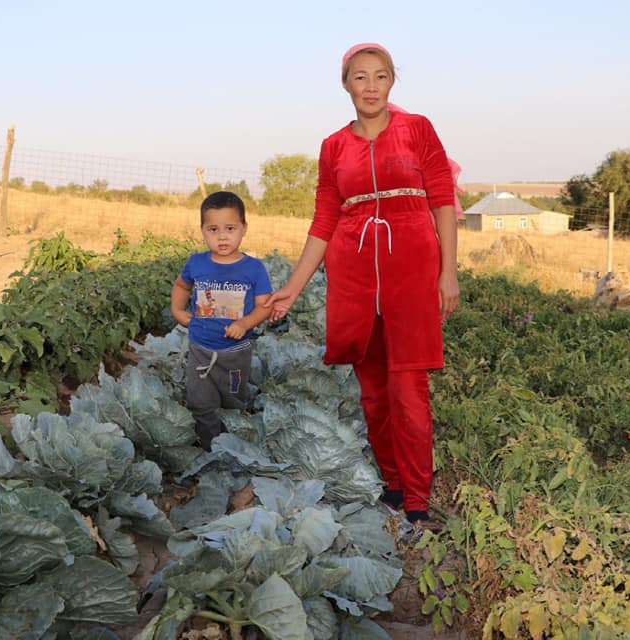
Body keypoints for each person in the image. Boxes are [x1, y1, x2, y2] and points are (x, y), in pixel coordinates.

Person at [265, 43, 460, 525]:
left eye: (380, 76)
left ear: (392, 82)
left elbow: (442, 200)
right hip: (353, 269)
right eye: (360, 77)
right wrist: (293, 284)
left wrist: (448, 270)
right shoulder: (334, 146)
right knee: (371, 387)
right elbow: (324, 218)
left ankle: (417, 498)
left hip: (411, 263)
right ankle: (393, 485)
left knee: (407, 385)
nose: (370, 86)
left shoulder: (417, 129)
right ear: (345, 83)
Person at [172, 191, 273, 451]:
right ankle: (209, 449)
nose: (222, 236)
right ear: (203, 231)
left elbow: (264, 306)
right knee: (201, 403)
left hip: (235, 353)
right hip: (200, 348)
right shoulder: (196, 263)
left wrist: (244, 324)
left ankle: (232, 448)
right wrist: (177, 310)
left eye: (230, 228)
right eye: (213, 229)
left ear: (244, 228)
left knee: (232, 402)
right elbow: (182, 286)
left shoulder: (254, 268)